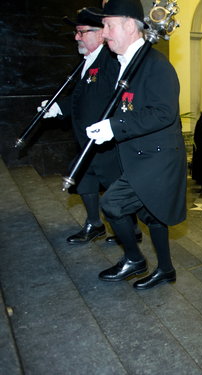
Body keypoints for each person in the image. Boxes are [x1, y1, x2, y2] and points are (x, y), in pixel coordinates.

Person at [85, 0, 187, 289]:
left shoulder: (155, 65)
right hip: (137, 153)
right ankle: (166, 269)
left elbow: (163, 113)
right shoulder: (125, 61)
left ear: (130, 25)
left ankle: (134, 259)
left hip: (157, 157)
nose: (104, 33)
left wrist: (114, 127)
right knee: (152, 213)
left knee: (112, 204)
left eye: (108, 25)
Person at [39, 8, 139, 244]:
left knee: (115, 189)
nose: (77, 37)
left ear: (100, 34)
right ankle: (94, 223)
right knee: (85, 180)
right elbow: (82, 98)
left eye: (82, 32)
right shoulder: (88, 61)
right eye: (76, 32)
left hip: (106, 141)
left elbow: (120, 97)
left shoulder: (111, 60)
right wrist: (58, 108)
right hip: (87, 139)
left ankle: (131, 230)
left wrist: (113, 127)